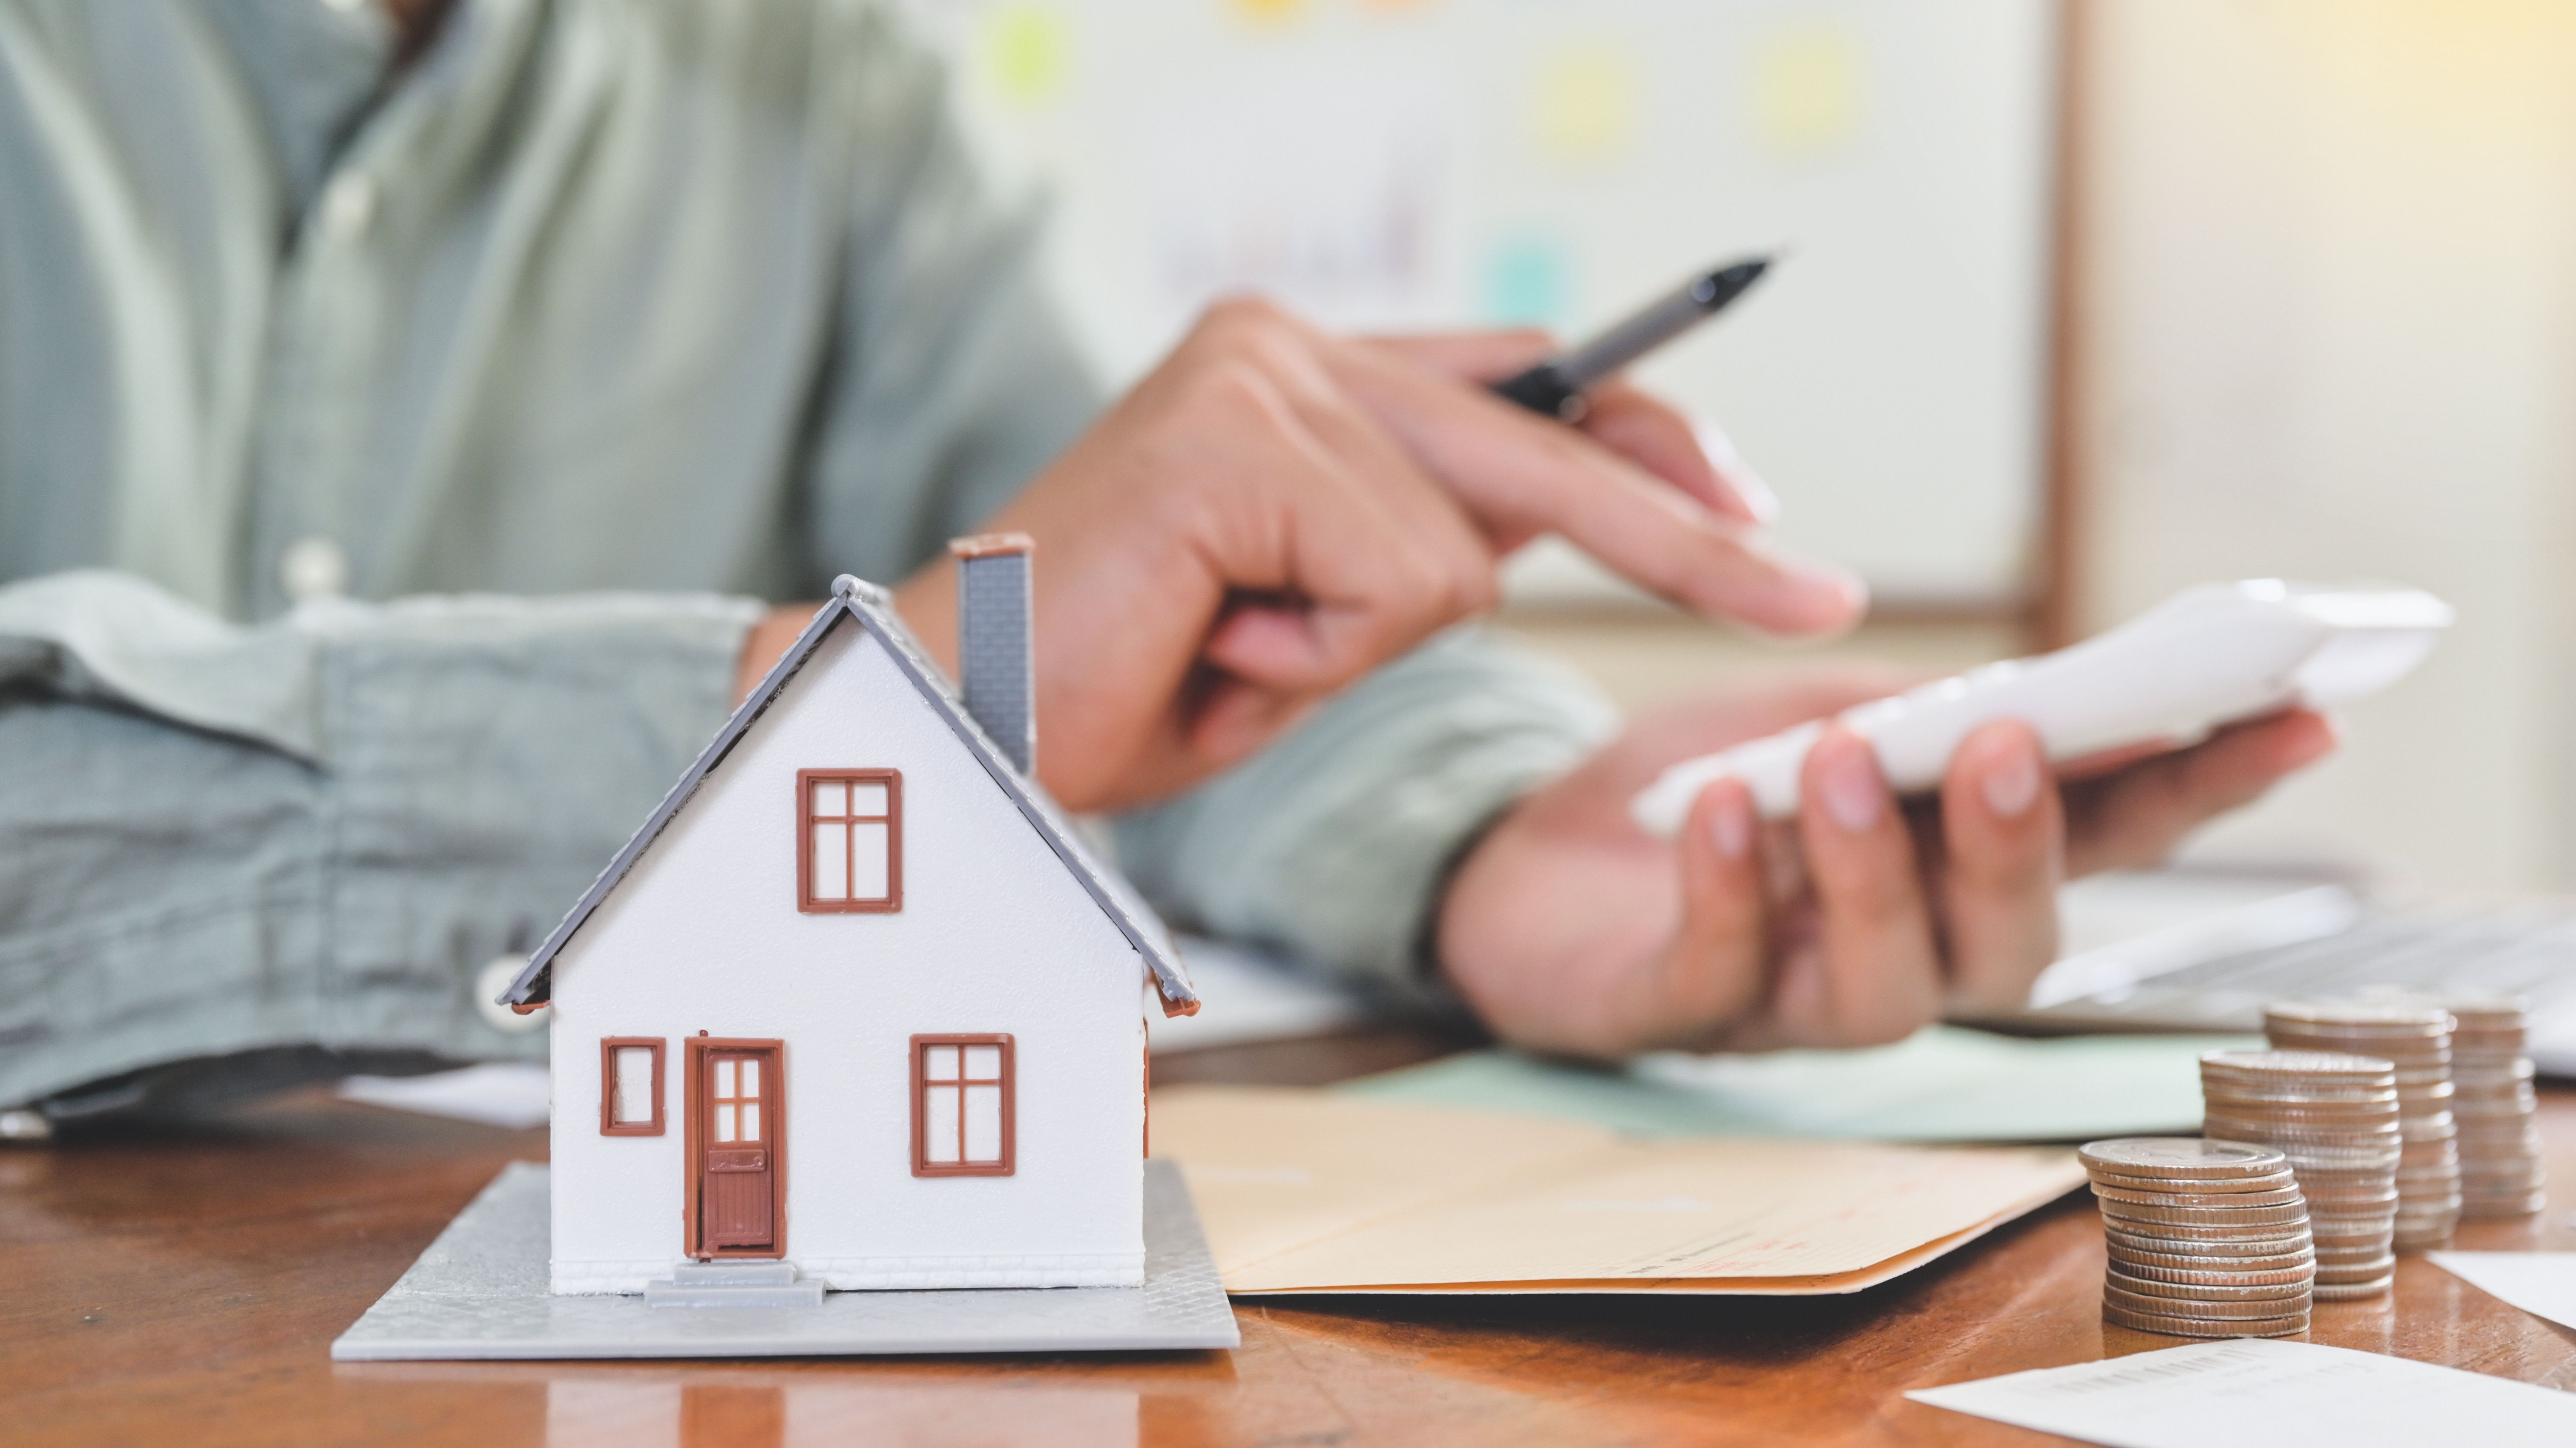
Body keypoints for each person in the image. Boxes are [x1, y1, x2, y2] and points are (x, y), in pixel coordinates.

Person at [0, 0, 2330, 1125]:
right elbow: (996, 646)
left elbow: (1149, 604)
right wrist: (851, 718)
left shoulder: (811, 88)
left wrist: (1495, 843)